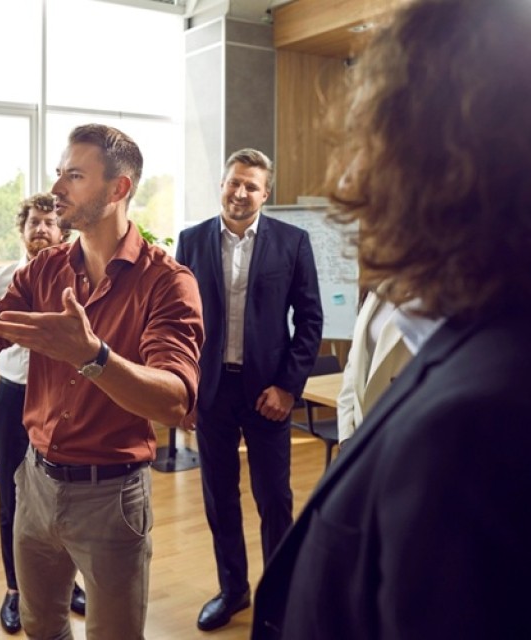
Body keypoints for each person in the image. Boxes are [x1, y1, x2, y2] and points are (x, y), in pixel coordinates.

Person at [252, 1, 531, 638]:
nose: (350, 176)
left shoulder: (475, 432)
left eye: (371, 140)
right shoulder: (494, 343)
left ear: (440, 163)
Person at [0, 124, 204, 640]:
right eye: (58, 173)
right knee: (40, 624)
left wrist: (93, 356)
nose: (57, 188)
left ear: (119, 188)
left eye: (75, 176)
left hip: (111, 496)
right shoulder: (44, 270)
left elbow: (174, 401)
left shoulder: (168, 282)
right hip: (36, 481)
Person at [175, 149, 323, 632]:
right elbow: (178, 322)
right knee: (219, 497)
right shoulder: (191, 241)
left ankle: (278, 597)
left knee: (274, 498)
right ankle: (233, 590)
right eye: (234, 182)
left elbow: (310, 320)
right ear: (222, 184)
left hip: (268, 394)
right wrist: (185, 389)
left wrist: (288, 387)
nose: (240, 193)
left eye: (251, 186)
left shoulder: (292, 242)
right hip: (211, 391)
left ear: (266, 194)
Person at [0, 193, 85, 634]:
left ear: (63, 231)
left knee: (64, 495)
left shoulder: (78, 280)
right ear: (22, 229)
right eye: (34, 222)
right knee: (12, 497)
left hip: (64, 399)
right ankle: (15, 590)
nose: (42, 229)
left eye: (50, 222)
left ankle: (67, 585)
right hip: (13, 397)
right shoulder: (0, 280)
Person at [335, 288, 413, 445]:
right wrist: (346, 433)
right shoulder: (375, 292)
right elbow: (354, 366)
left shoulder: (436, 296)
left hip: (404, 430)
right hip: (363, 427)